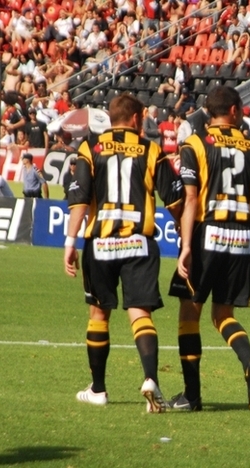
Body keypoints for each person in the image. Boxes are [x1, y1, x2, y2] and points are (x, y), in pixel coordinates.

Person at [63, 94, 183, 413]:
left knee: (99, 314)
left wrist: (70, 242)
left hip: (100, 244)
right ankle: (150, 379)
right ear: (135, 119)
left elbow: (79, 198)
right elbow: (174, 200)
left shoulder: (91, 148)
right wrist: (186, 236)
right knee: (140, 313)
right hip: (139, 242)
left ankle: (99, 389)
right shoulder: (151, 149)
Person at [169, 86, 250, 412]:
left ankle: (192, 395)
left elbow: (191, 199)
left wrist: (186, 246)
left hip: (206, 236)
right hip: (241, 238)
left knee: (190, 313)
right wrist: (247, 233)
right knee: (223, 315)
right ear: (235, 111)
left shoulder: (196, 144)